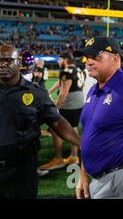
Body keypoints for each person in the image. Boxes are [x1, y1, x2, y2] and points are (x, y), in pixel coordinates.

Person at [0, 45, 80, 199]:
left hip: (22, 170)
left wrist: (82, 142)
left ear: (18, 62)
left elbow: (57, 122)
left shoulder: (37, 93)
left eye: (8, 60)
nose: (2, 64)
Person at [74, 37, 123, 199]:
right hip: (97, 178)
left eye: (96, 57)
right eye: (87, 57)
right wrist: (83, 175)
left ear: (115, 59)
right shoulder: (93, 90)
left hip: (120, 179)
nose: (89, 62)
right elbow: (89, 135)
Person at [40, 52, 85, 171]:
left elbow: (64, 92)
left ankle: (58, 158)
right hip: (79, 101)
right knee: (73, 126)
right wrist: (50, 90)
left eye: (59, 59)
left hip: (69, 103)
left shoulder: (66, 71)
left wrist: (55, 108)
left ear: (65, 59)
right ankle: (74, 157)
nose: (58, 62)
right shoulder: (79, 69)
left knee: (55, 127)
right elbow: (64, 82)